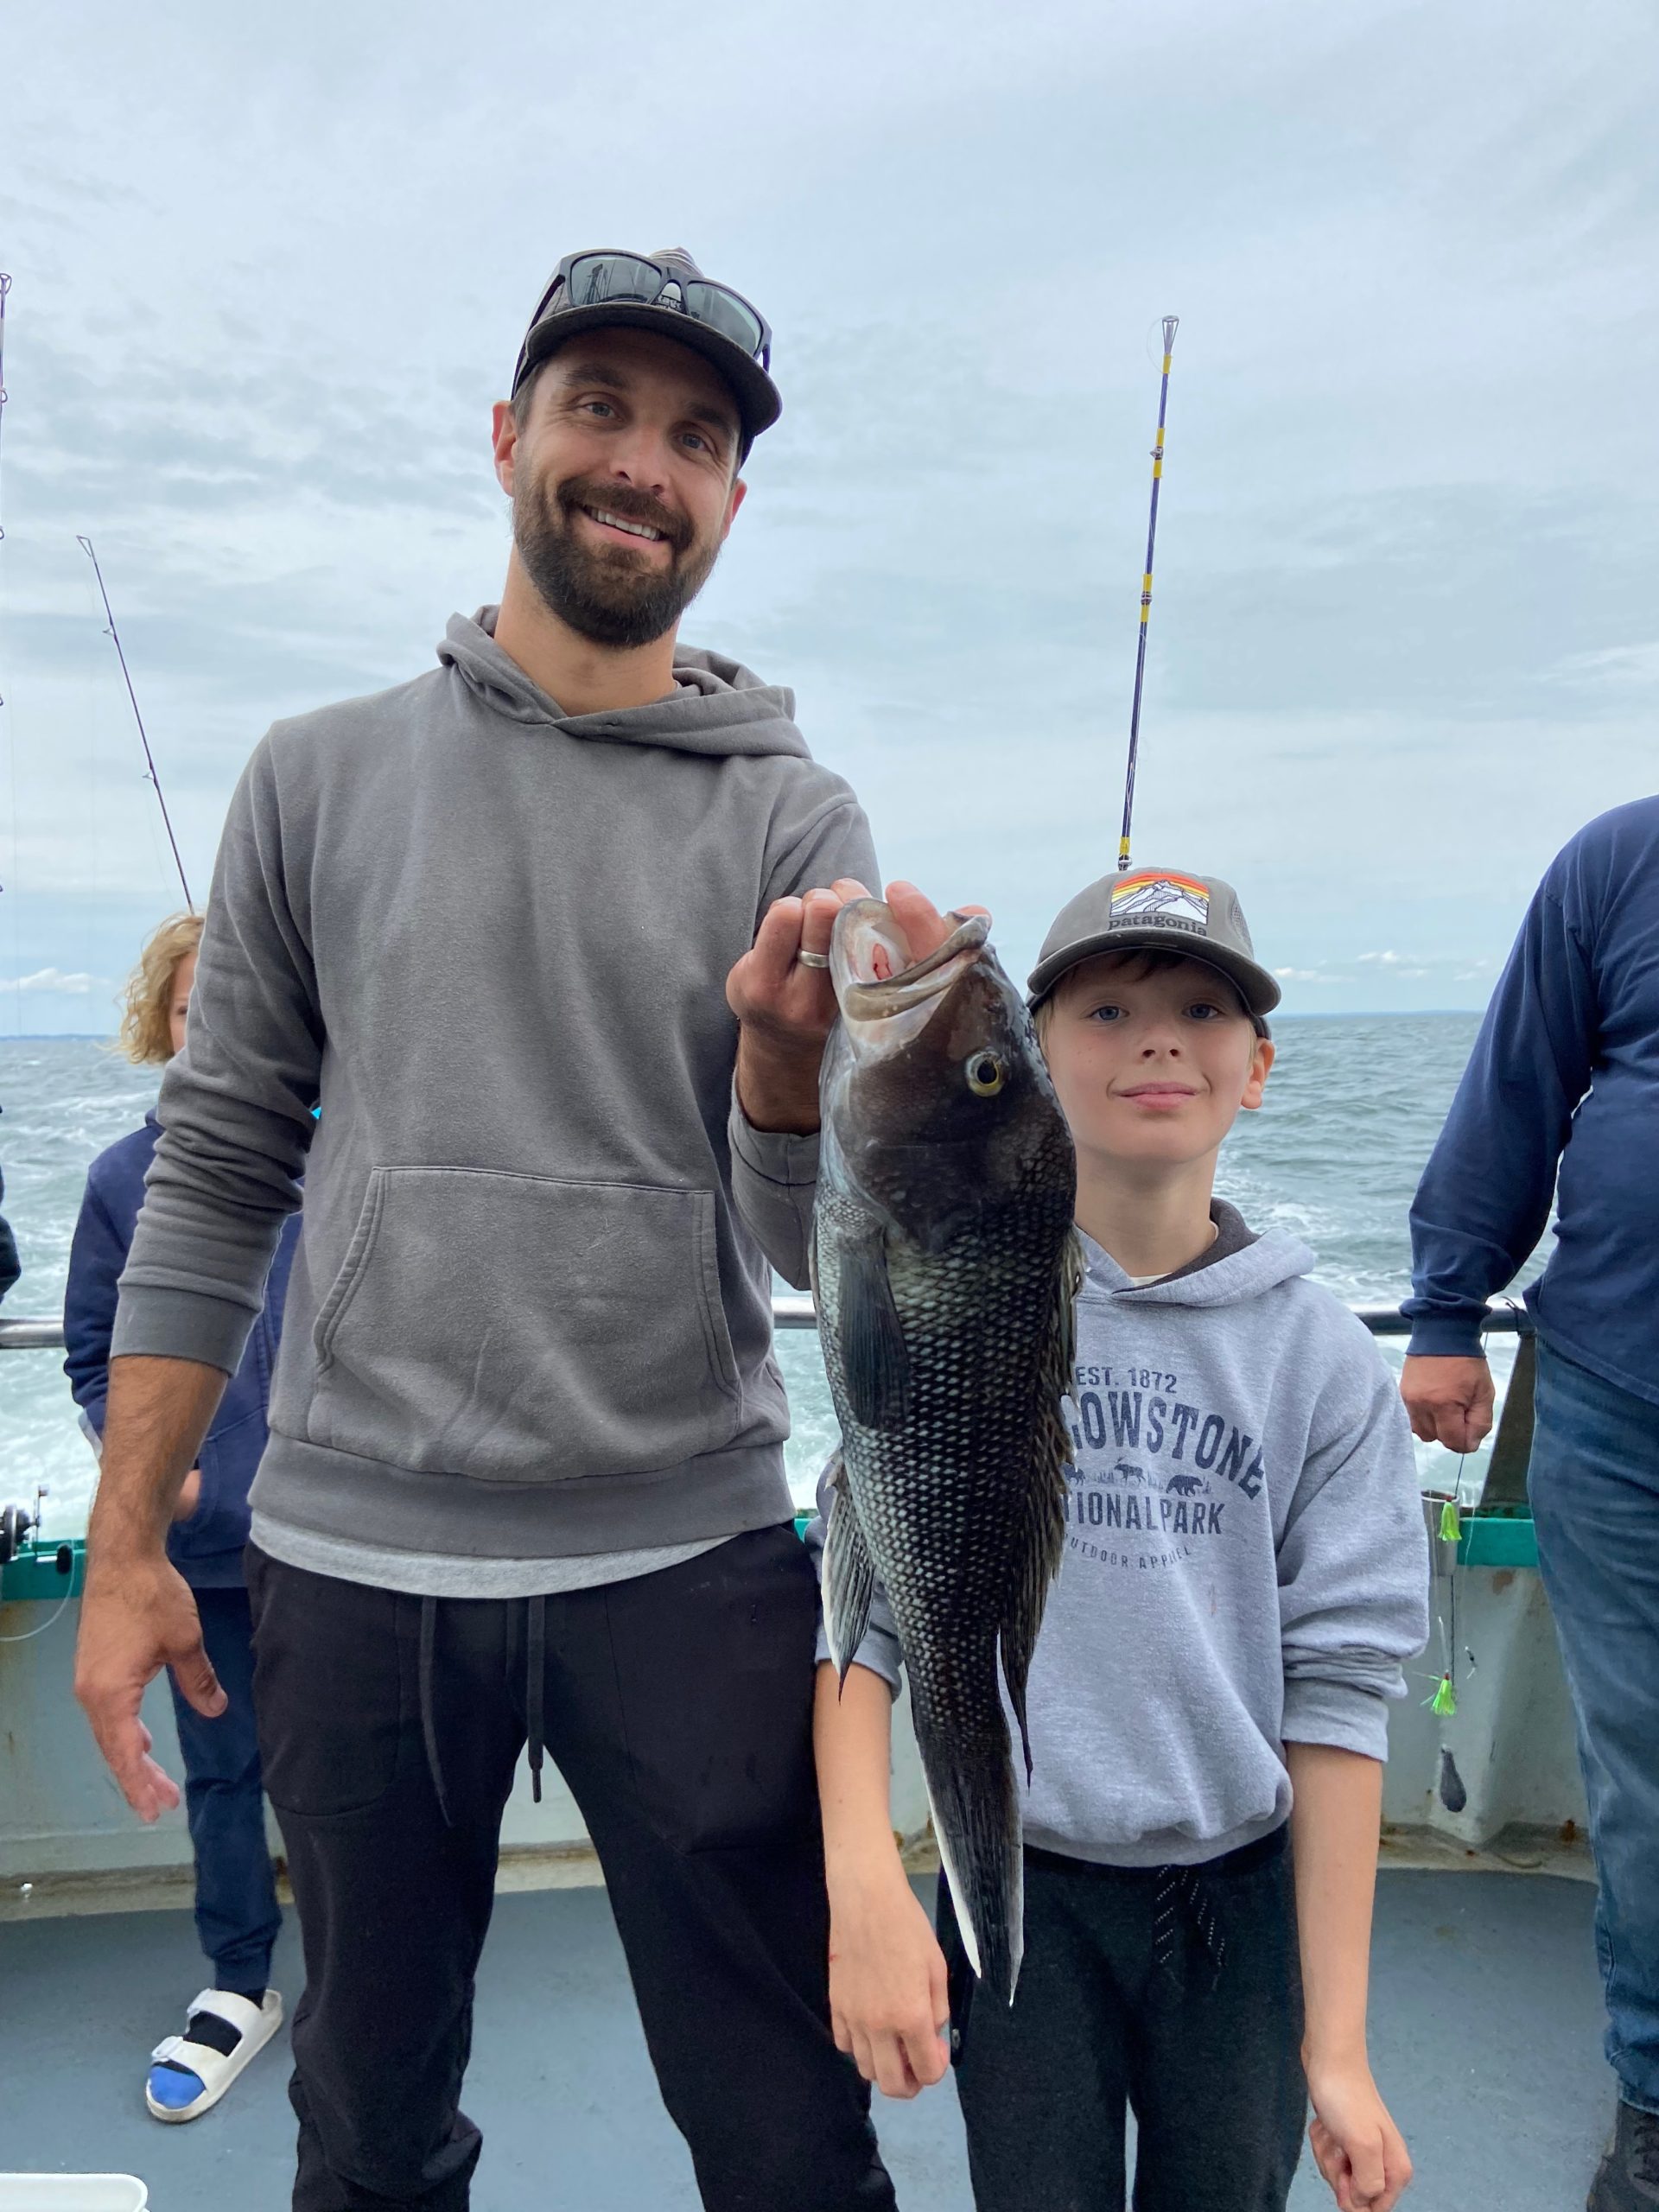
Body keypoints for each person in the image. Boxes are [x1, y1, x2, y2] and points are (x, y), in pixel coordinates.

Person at [70, 245, 961, 2211]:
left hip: (688, 1542)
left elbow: (808, 1249)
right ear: (508, 438)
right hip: (353, 1558)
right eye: (602, 410)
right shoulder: (313, 776)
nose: (645, 463)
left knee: (793, 2141)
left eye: (698, 437)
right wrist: (128, 1537)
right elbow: (217, 1167)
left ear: (734, 499)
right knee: (372, 2130)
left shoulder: (802, 826)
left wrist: (788, 1077)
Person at [812, 867, 1429, 2212]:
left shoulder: (1318, 1359)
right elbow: (862, 1610)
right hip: (1022, 1890)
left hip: (1241, 1908)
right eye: (1106, 1009)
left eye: (1201, 1007)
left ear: (1257, 1068)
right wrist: (864, 1877)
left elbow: (1340, 1701)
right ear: (1037, 1064)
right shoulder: (949, 1301)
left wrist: (1339, 2046)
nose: (1156, 1036)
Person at [1402, 796, 1659, 2212]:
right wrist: (1445, 1309)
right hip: (1625, 1405)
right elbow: (1518, 1087)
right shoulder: (1622, 861)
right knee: (1649, 1779)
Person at [64, 910, 298, 2121]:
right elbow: (96, 1362)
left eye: (246, 1003)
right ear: (162, 1019)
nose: (217, 1026)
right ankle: (241, 1977)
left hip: (342, 1545)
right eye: (196, 1003)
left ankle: (374, 1970)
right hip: (205, 1557)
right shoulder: (116, 1182)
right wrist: (149, 1473)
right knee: (225, 1772)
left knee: (362, 1770)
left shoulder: (343, 1163)